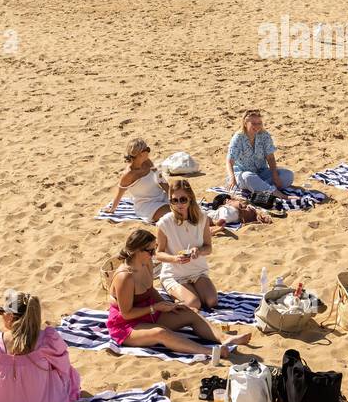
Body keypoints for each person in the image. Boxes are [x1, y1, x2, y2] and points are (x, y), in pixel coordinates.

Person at [108, 230, 250, 356]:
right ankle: (209, 351)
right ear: (138, 251)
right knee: (161, 333)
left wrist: (169, 305)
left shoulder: (147, 264)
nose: (153, 255)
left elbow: (150, 291)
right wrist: (155, 308)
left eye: (154, 250)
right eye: (150, 251)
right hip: (126, 326)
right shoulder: (125, 276)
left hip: (148, 313)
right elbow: (126, 314)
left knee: (190, 312)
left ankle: (225, 339)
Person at [0, 290, 81, 402]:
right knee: (70, 375)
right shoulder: (48, 339)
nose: (1, 316)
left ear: (10, 316)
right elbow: (64, 369)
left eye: (1, 311)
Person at [154, 179, 217, 309]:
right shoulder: (164, 223)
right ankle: (174, 291)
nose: (179, 204)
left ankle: (188, 292)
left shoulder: (202, 218)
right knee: (194, 304)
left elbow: (208, 248)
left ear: (190, 198)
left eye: (182, 199)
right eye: (174, 200)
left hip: (198, 271)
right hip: (174, 275)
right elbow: (158, 254)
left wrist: (198, 251)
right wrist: (174, 259)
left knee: (212, 301)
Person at [226, 109, 293, 194]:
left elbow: (270, 157)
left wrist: (275, 176)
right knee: (248, 177)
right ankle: (273, 191)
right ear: (245, 124)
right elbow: (229, 161)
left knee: (288, 175)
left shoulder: (265, 135)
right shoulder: (238, 138)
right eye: (253, 123)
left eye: (259, 123)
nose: (257, 126)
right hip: (242, 174)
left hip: (262, 173)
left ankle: (260, 188)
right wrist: (232, 178)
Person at [103, 138, 170, 223]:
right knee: (173, 214)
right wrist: (112, 209)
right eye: (147, 149)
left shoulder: (147, 162)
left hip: (162, 197)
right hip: (147, 205)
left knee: (186, 206)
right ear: (141, 154)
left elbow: (160, 179)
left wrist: (171, 194)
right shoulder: (128, 175)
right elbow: (119, 193)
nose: (149, 152)